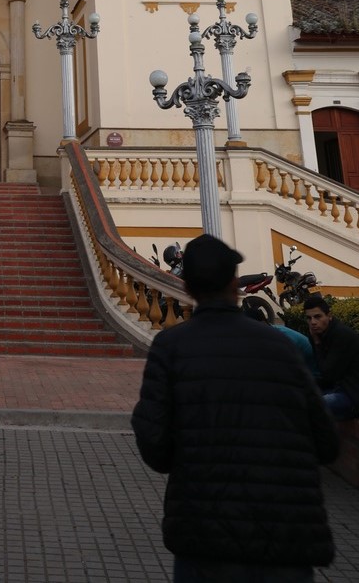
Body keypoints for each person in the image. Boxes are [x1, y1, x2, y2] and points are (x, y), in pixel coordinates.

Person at [132, 233, 339, 582]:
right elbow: (327, 442)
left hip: (206, 536)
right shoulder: (284, 347)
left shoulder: (172, 348)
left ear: (189, 287)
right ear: (234, 282)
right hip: (285, 536)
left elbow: (155, 448)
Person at [303, 293, 359, 421]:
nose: (313, 322)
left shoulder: (342, 335)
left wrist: (317, 343)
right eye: (309, 318)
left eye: (318, 317)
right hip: (335, 388)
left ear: (329, 316)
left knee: (311, 406)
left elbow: (328, 373)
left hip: (352, 394)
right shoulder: (318, 334)